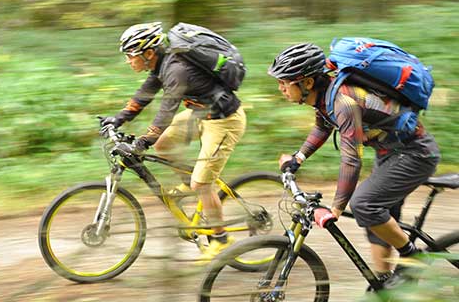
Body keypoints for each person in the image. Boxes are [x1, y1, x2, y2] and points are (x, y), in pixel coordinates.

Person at [268, 43, 440, 287]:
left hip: (416, 154)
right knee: (374, 217)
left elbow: (352, 158)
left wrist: (336, 208)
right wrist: (299, 158)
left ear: (307, 83)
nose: (281, 88)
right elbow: (322, 126)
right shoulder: (326, 97)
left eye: (285, 82)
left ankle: (414, 257)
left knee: (364, 204)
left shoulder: (344, 102)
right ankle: (383, 284)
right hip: (391, 152)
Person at [101, 22, 247, 259]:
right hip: (200, 113)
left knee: (202, 185)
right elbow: (145, 94)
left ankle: (221, 238)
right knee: (164, 144)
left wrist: (144, 140)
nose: (128, 60)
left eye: (131, 55)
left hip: (224, 120)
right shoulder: (161, 65)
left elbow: (167, 110)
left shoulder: (176, 70)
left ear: (148, 53)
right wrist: (118, 119)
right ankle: (189, 182)